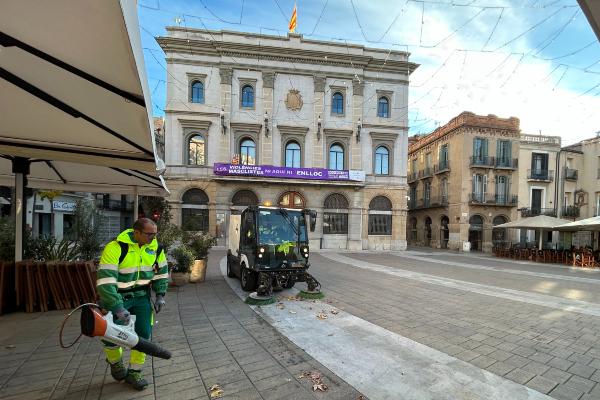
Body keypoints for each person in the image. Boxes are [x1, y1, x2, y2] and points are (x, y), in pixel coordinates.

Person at [96, 218, 168, 390]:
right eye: (149, 234)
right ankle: (115, 363)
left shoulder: (155, 248)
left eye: (155, 234)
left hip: (142, 297)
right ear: (136, 232)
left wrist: (160, 294)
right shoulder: (115, 247)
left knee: (143, 334)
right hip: (117, 297)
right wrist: (116, 306)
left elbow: (161, 272)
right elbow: (106, 280)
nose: (153, 238)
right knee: (111, 335)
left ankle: (135, 372)